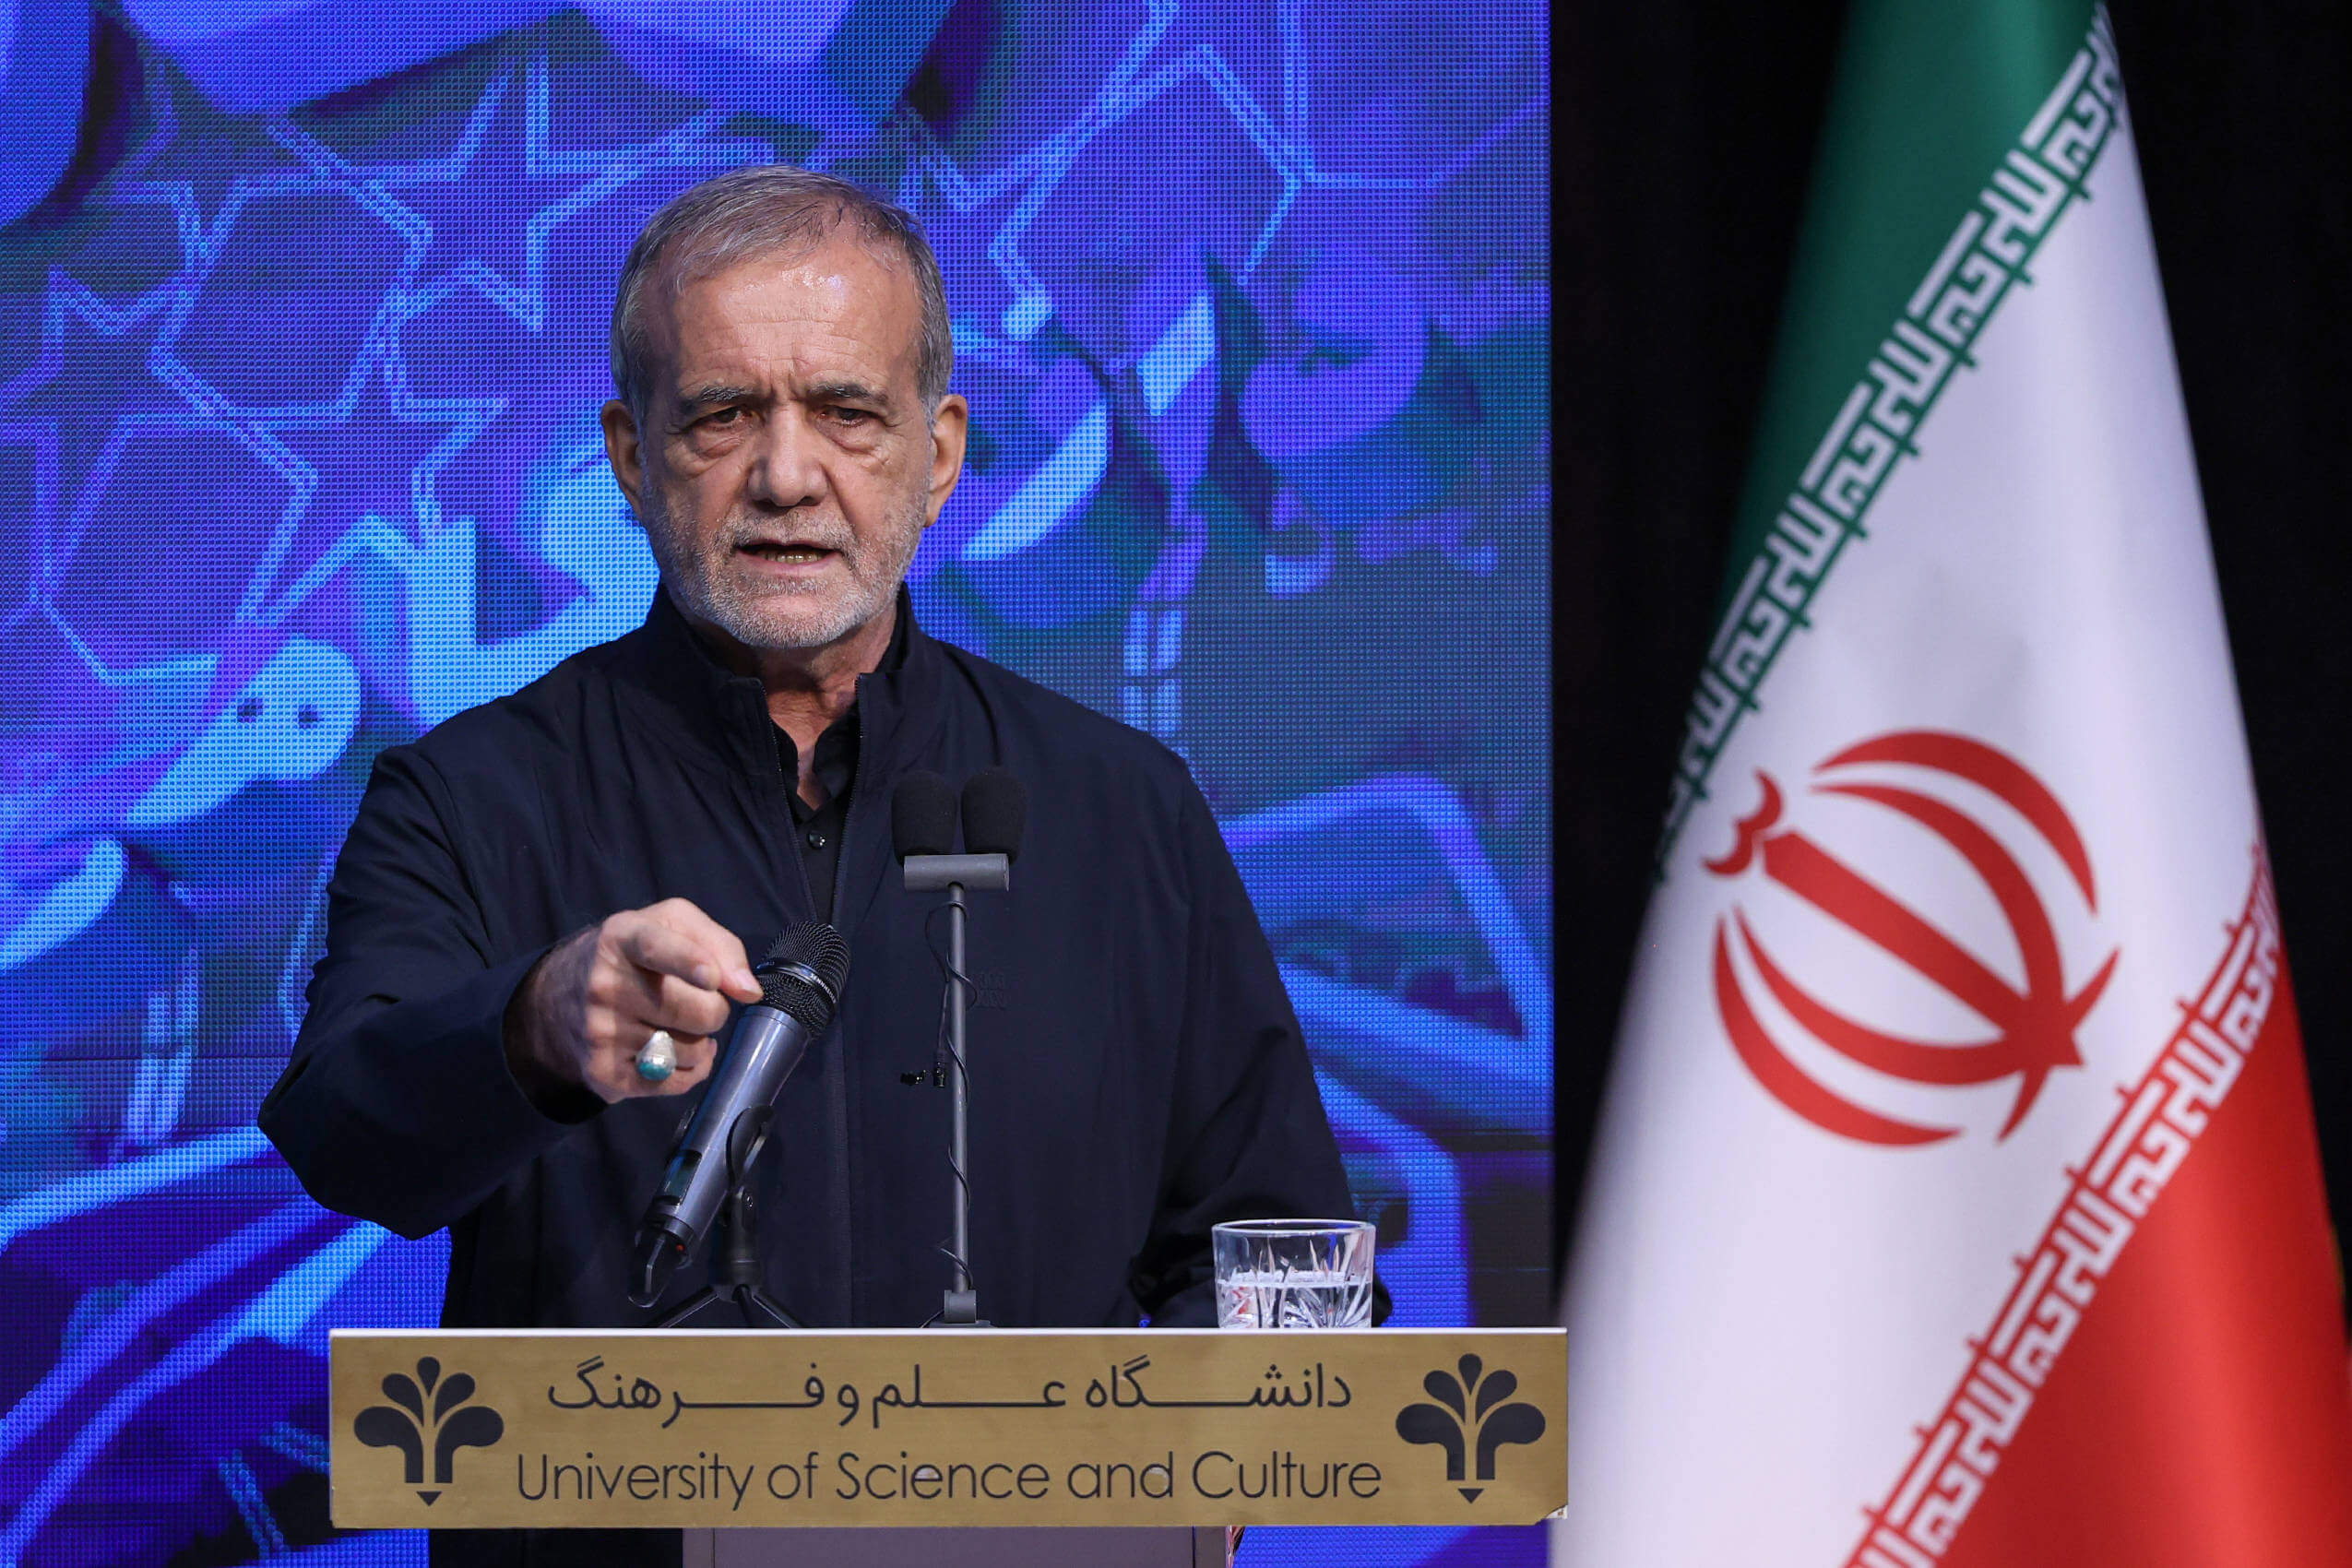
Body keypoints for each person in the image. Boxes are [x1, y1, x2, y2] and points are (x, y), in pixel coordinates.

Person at [258, 166, 1355, 1559]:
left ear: (938, 454)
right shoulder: (470, 797)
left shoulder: (1123, 808)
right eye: (722, 415)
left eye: (846, 412)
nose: (786, 476)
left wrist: (1184, 1494)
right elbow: (344, 1143)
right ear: (631, 455)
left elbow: (1285, 1251)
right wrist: (535, 1026)